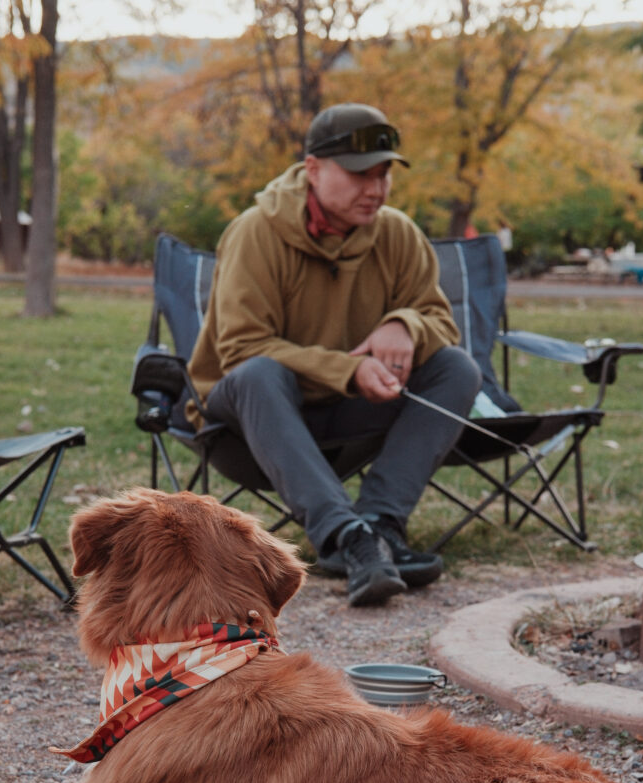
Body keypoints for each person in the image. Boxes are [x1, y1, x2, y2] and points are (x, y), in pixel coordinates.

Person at [187, 103, 482, 607]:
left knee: (456, 367)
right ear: (314, 169)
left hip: (348, 425)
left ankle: (379, 528)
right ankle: (345, 537)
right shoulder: (256, 232)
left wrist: (403, 324)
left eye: (385, 173)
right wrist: (349, 370)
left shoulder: (397, 234)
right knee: (259, 373)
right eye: (360, 174)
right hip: (251, 428)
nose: (376, 189)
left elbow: (441, 323)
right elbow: (240, 350)